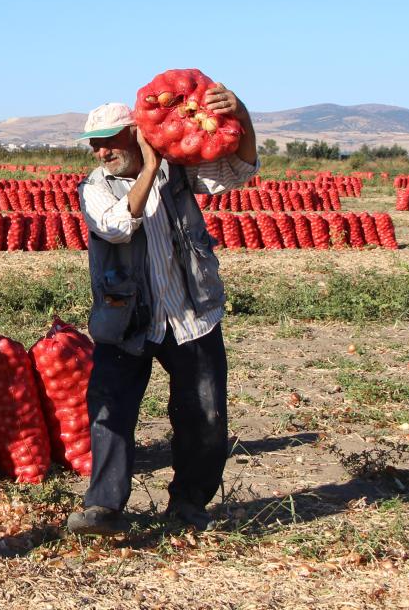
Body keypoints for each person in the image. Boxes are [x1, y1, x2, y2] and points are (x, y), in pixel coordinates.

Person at [66, 86, 258, 536]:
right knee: (110, 413)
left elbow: (237, 171)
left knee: (205, 417)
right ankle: (104, 509)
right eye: (95, 144)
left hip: (191, 315)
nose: (101, 151)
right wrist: (149, 169)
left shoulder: (180, 172)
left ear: (139, 133)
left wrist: (243, 113)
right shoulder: (94, 188)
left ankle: (189, 505)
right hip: (126, 321)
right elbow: (114, 228)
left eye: (111, 140)